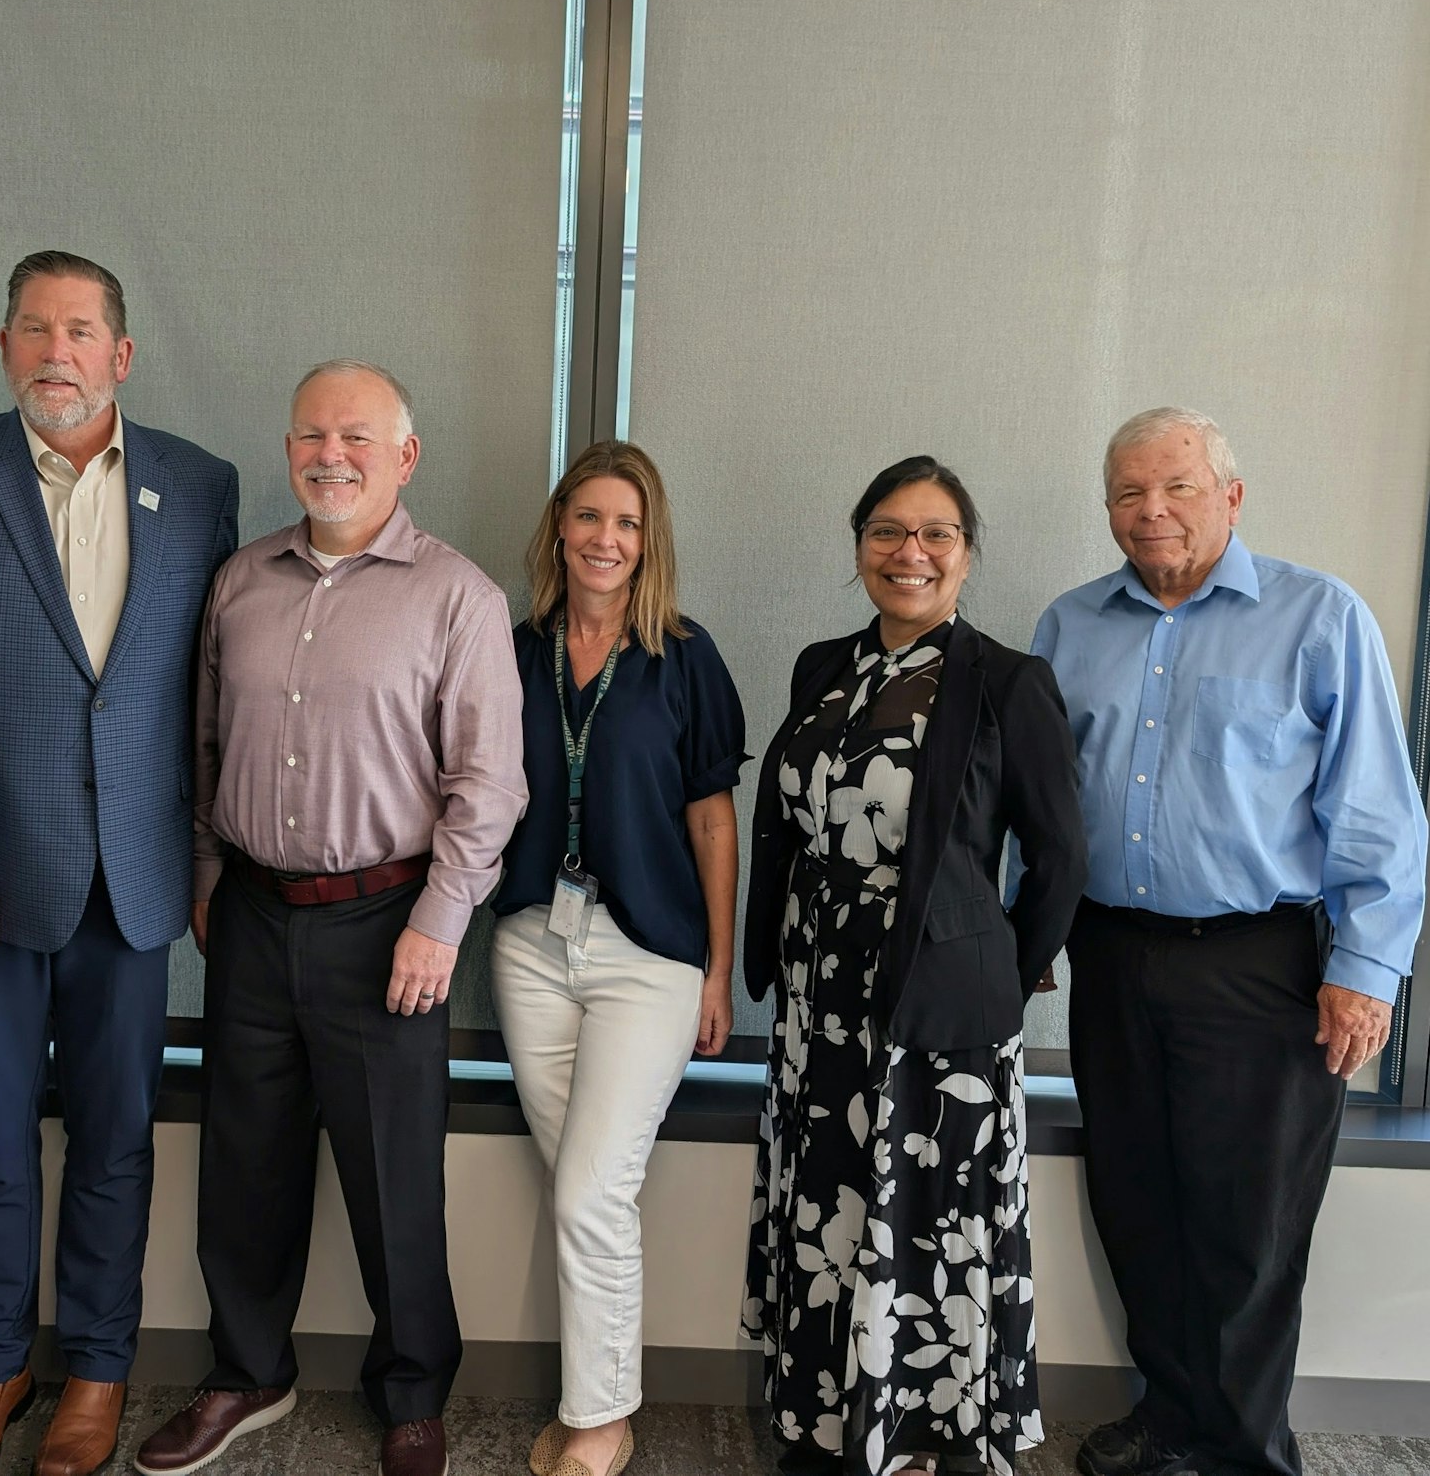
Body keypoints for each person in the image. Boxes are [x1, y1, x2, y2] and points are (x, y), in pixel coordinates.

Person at [0, 252, 238, 1476]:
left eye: (79, 330)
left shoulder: (199, 483)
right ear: (3, 347)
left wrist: (201, 859)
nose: (54, 352)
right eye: (33, 329)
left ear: (121, 353)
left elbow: (206, 694)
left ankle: (96, 1372)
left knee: (118, 1137)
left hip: (134, 885)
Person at [134, 360, 525, 1476]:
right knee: (243, 1163)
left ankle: (410, 1392)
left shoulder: (458, 596)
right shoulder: (239, 581)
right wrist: (208, 874)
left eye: (357, 436)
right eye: (311, 434)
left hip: (389, 922)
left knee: (393, 1176)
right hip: (252, 912)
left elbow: (488, 787)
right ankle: (247, 1370)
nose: (330, 454)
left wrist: (440, 922)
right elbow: (203, 744)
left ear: (404, 457)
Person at [1036, 409, 1426, 1476]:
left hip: (1259, 966)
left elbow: (1378, 815)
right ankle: (1167, 1417)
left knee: (1245, 1227)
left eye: (1176, 486)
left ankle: (1247, 1450)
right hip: (1112, 956)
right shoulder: (1069, 627)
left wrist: (1363, 971)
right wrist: (1024, 940)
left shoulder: (1316, 616)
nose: (1149, 510)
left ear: (1229, 496)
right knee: (1136, 1202)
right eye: (1125, 492)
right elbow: (1039, 805)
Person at [740, 457, 1086, 1476]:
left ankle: (925, 1430)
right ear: (858, 549)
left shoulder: (1007, 682)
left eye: (935, 534)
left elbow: (1060, 858)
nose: (910, 553)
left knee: (925, 1214)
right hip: (819, 992)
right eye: (887, 532)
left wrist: (992, 981)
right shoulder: (821, 667)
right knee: (832, 1199)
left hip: (942, 1010)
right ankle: (823, 1417)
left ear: (965, 555)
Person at [490, 440, 745, 1476]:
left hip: (649, 956)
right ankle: (603, 1402)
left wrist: (718, 973)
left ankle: (597, 1419)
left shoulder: (684, 656)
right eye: (589, 517)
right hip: (528, 947)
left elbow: (714, 826)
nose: (606, 538)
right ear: (560, 526)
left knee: (590, 1190)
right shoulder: (511, 651)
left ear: (650, 542)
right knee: (584, 1186)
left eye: (627, 524)